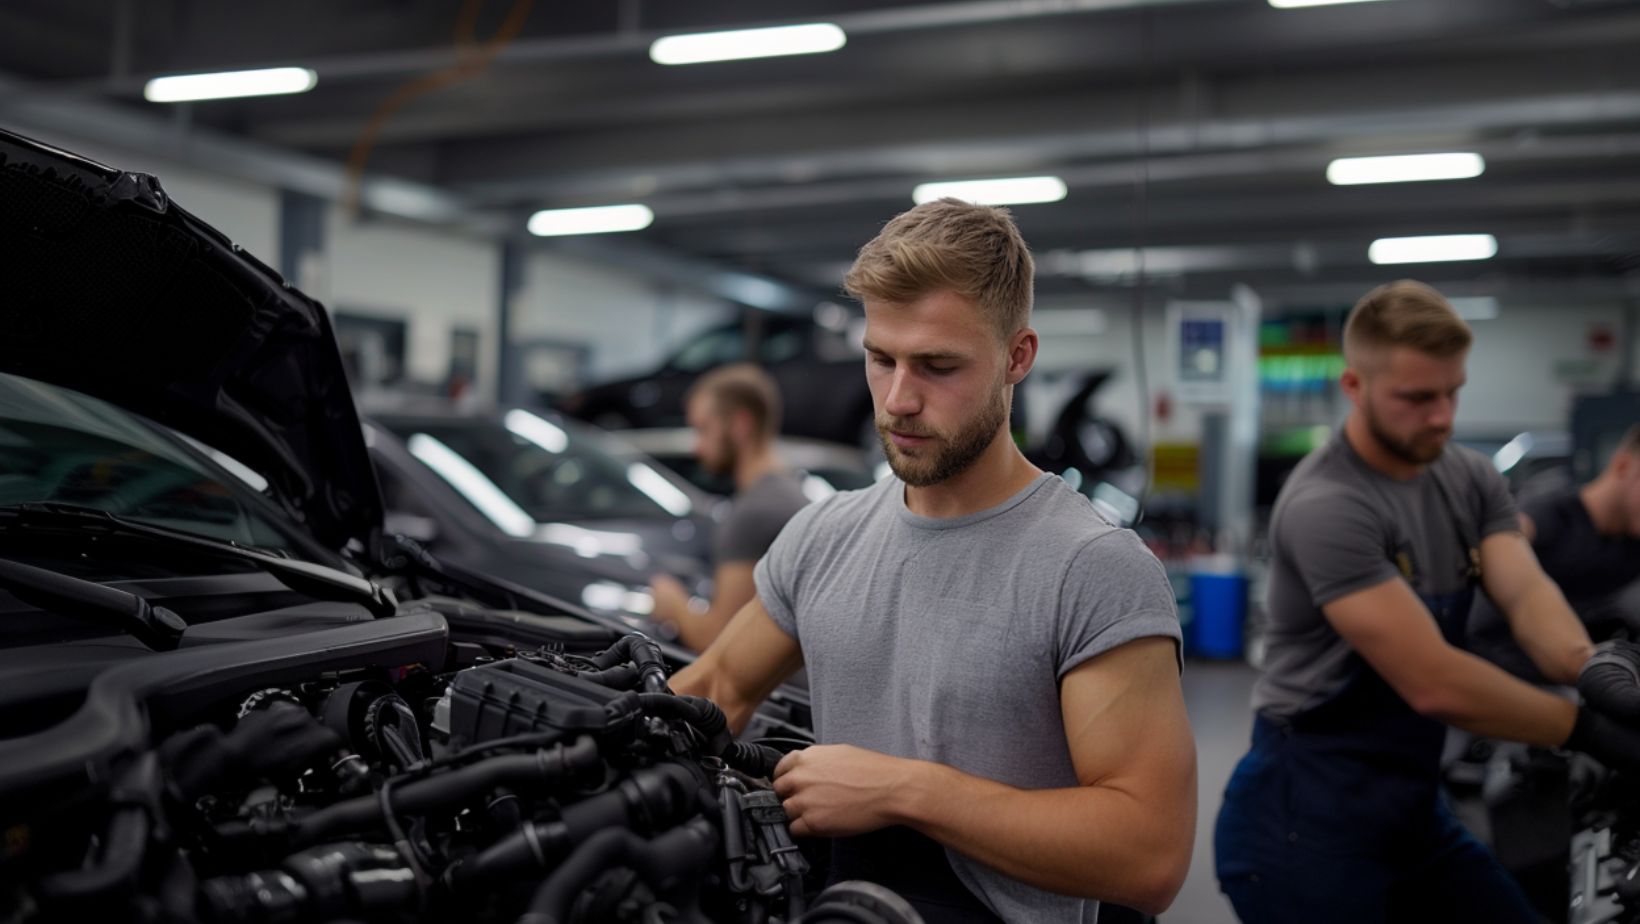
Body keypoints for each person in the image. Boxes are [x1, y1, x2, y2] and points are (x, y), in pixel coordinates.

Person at [670, 198, 1196, 923]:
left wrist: (904, 791)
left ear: (1018, 358)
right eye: (880, 359)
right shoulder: (823, 537)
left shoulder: (1093, 568)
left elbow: (1149, 856)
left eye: (937, 366)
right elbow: (710, 692)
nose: (898, 399)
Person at [1213, 280, 1640, 923]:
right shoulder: (1328, 504)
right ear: (1354, 387)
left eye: (1452, 393)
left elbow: (1525, 592)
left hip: (1409, 808)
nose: (1442, 416)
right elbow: (1433, 681)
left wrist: (1589, 665)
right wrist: (1583, 728)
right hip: (1302, 823)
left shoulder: (1468, 477)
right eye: (1417, 398)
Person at [650, 363, 810, 652]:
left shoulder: (755, 512)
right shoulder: (790, 492)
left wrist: (674, 604)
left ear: (740, 424)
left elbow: (720, 642)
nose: (697, 448)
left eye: (704, 430)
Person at [1466, 425, 1640, 681]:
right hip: (1498, 668)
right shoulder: (1551, 513)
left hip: (1568, 672)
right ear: (1624, 467)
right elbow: (1503, 537)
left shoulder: (1631, 541)